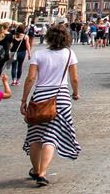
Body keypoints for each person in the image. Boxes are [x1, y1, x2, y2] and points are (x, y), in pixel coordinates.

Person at [21, 22, 80, 185]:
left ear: (48, 37)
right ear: (66, 38)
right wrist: (75, 93)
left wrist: (24, 100)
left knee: (35, 136)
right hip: (60, 97)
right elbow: (74, 78)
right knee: (51, 137)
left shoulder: (38, 54)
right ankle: (42, 173)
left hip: (40, 96)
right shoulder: (69, 54)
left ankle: (36, 170)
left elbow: (30, 79)